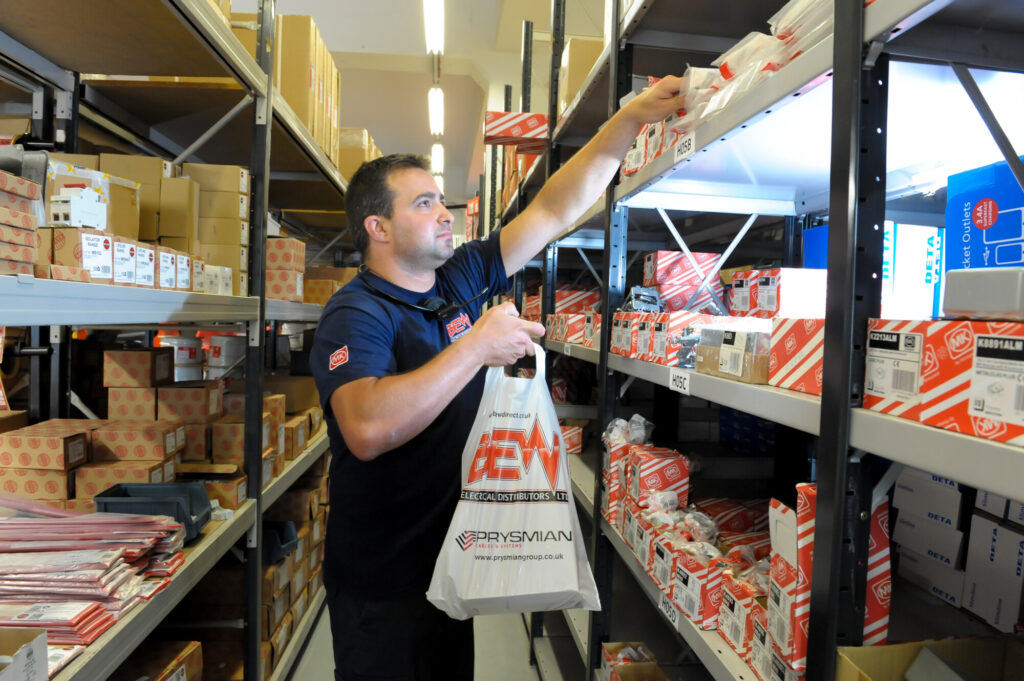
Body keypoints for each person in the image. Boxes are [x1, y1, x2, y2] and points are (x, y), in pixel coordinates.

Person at [310, 75, 687, 681]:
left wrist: (629, 120)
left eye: (440, 198)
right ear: (377, 228)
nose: (443, 213)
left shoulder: (457, 278)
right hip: (383, 580)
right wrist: (476, 346)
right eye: (422, 203)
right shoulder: (356, 313)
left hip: (454, 562)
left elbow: (554, 208)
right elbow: (367, 427)